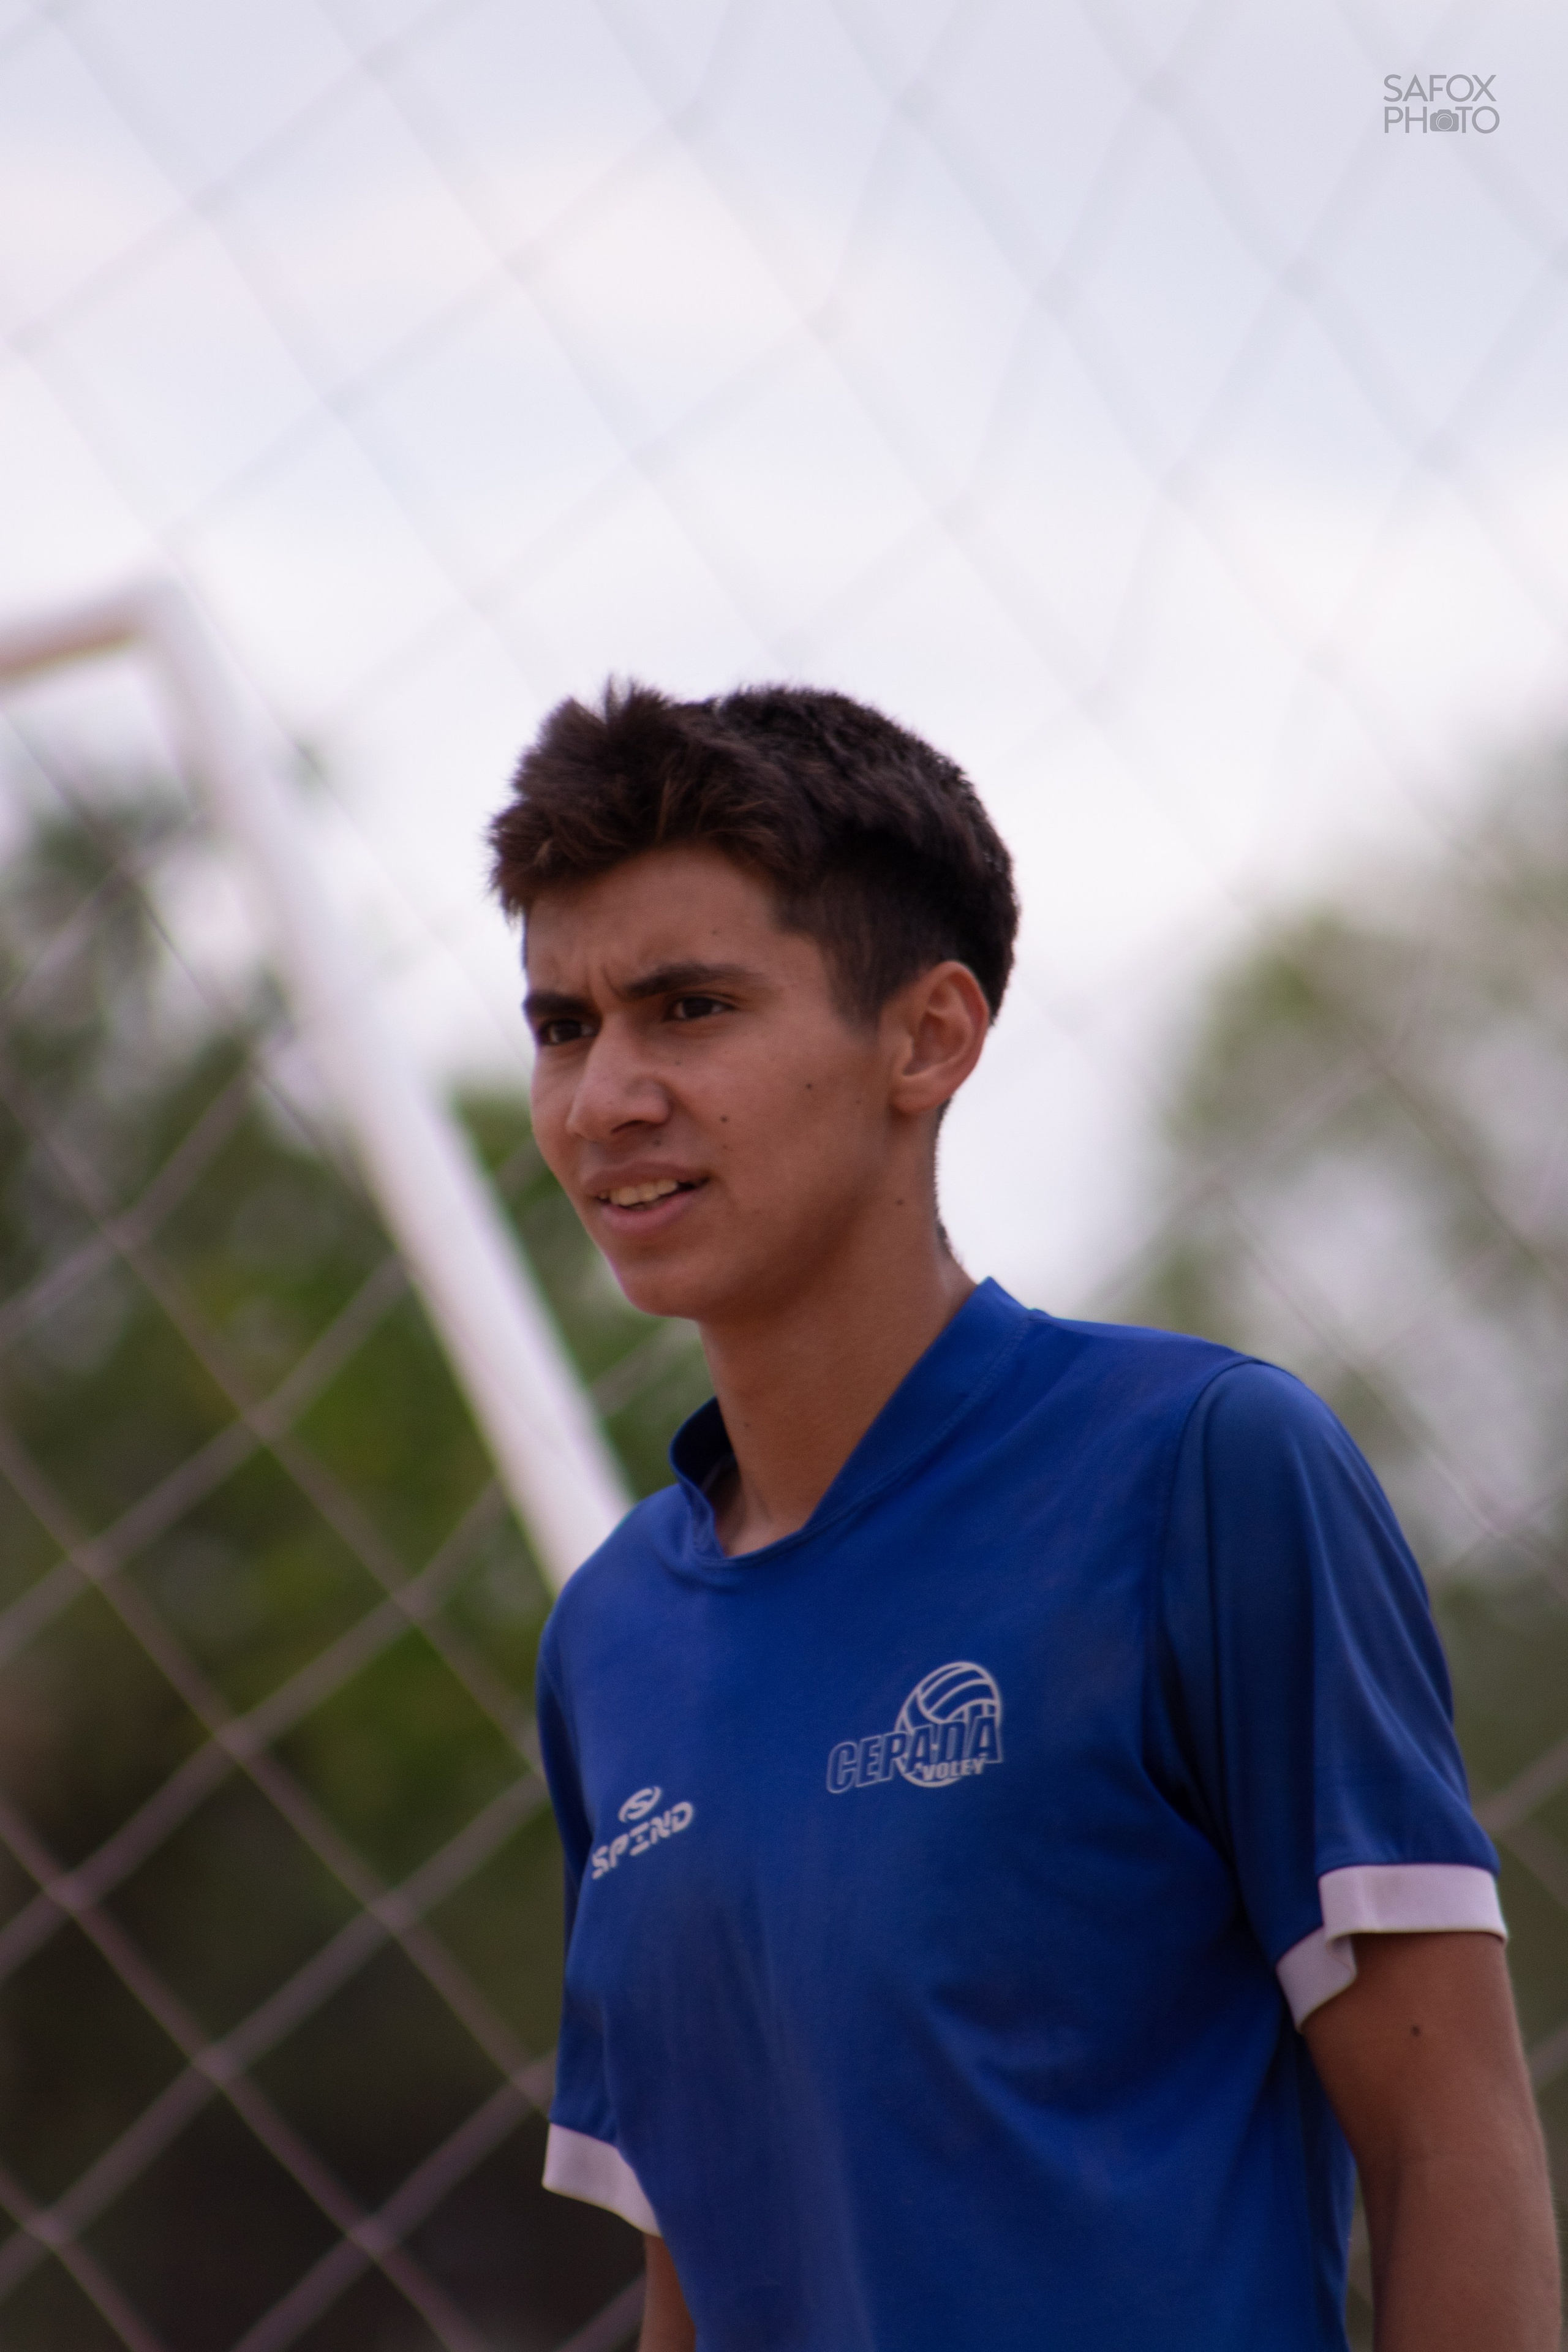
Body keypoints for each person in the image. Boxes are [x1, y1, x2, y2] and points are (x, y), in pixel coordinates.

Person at [489, 682, 1558, 2352]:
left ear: (930, 1037)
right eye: (566, 1026)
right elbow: (703, 2257)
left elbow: (1452, 2148)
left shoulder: (1203, 1472)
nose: (606, 1096)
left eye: (690, 1008)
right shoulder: (610, 1635)